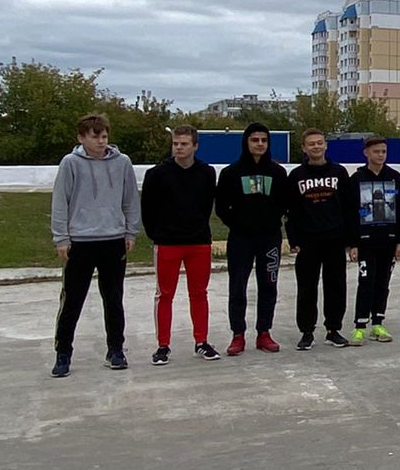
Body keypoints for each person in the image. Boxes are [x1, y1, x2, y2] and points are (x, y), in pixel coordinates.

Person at [48, 112, 140, 377]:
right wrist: (61, 238)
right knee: (72, 300)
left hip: (113, 240)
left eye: (104, 136)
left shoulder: (122, 162)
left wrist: (130, 232)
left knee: (113, 299)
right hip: (80, 242)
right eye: (95, 136)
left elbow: (130, 199)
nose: (101, 141)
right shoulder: (70, 163)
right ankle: (63, 353)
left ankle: (116, 350)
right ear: (81, 138)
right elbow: (60, 202)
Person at [140, 124, 218, 365]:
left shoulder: (207, 172)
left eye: (184, 144)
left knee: (199, 293)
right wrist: (157, 235)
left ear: (195, 146)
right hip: (167, 243)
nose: (179, 148)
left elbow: (207, 205)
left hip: (198, 242)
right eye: (175, 144)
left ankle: (201, 341)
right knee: (164, 295)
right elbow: (148, 209)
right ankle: (163, 345)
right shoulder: (157, 174)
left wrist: (197, 228)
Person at [215, 120, 288, 356]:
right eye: (255, 140)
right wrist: (239, 224)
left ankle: (264, 333)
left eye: (264, 140)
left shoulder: (278, 173)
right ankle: (238, 335)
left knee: (268, 286)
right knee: (238, 287)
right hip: (241, 239)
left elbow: (284, 204)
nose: (260, 144)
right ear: (246, 142)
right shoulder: (231, 173)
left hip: (269, 239)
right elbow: (221, 207)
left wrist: (270, 221)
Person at [285, 128, 351, 350]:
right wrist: (293, 239)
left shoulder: (339, 172)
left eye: (319, 142)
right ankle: (307, 332)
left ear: (326, 145)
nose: (316, 146)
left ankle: (333, 330)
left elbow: (348, 207)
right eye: (311, 143)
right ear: (304, 148)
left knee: (336, 286)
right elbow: (290, 210)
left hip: (334, 239)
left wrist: (350, 239)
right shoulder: (297, 176)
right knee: (307, 288)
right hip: (307, 241)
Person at [344, 135, 400, 343]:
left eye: (383, 151)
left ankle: (378, 324)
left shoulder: (394, 177)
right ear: (366, 153)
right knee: (366, 282)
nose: (380, 155)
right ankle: (360, 326)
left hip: (388, 241)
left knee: (383, 283)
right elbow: (350, 213)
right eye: (376, 151)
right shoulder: (357, 179)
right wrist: (352, 243)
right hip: (365, 242)